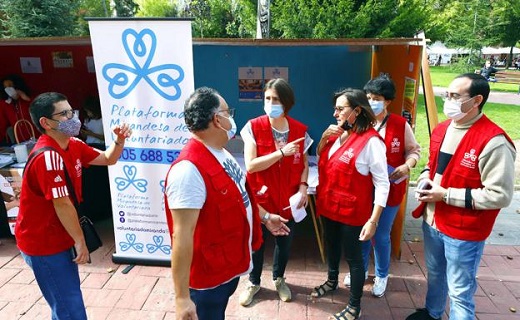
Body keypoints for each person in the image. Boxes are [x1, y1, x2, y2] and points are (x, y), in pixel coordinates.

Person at [164, 87, 285, 320]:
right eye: (228, 111)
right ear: (217, 120)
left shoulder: (221, 153)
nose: (232, 117)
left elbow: (239, 197)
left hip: (226, 267)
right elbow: (181, 236)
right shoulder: (188, 170)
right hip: (207, 280)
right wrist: (181, 298)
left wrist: (265, 217)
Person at [406, 73, 516, 320]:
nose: (449, 100)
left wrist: (445, 195)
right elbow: (434, 165)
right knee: (435, 274)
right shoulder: (443, 129)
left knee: (459, 292)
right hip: (432, 221)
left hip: (463, 231)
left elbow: (500, 195)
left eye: (456, 96)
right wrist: (425, 176)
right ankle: (432, 313)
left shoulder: (494, 142)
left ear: (477, 100)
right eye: (447, 94)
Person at [15, 92, 132, 319]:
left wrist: (119, 140)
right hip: (44, 243)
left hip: (58, 235)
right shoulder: (47, 157)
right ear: (46, 123)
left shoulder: (73, 144)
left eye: (72, 111)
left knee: (65, 301)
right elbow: (62, 204)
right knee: (70, 307)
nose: (73, 117)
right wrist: (80, 242)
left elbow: (108, 158)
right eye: (65, 113)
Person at [311, 88, 390, 320]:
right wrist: (324, 138)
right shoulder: (337, 134)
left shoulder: (371, 143)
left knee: (355, 259)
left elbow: (383, 184)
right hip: (329, 207)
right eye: (335, 108)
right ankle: (332, 280)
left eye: (340, 109)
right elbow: (321, 158)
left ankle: (354, 306)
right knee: (332, 247)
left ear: (357, 110)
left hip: (352, 213)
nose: (335, 113)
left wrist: (374, 220)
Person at [342, 76, 421, 297]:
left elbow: (414, 150)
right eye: (368, 97)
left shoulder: (399, 124)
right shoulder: (359, 122)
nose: (371, 101)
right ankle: (360, 271)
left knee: (380, 235)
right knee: (363, 231)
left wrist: (407, 166)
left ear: (387, 101)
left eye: (376, 98)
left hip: (390, 188)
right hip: (362, 190)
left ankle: (382, 275)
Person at [238, 78, 311, 306]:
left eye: (276, 99)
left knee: (284, 242)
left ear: (287, 103)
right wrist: (281, 153)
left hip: (288, 199)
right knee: (257, 243)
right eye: (267, 98)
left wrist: (303, 187)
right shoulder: (253, 127)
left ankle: (279, 279)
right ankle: (253, 282)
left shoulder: (299, 131)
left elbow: (305, 164)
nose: (270, 103)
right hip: (260, 198)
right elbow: (250, 165)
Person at [0, 74, 39, 142]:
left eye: (10, 86)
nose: (8, 89)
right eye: (5, 87)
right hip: (21, 142)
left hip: (38, 137)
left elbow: (41, 112)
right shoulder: (5, 104)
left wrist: (27, 99)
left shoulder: (30, 99)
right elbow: (2, 124)